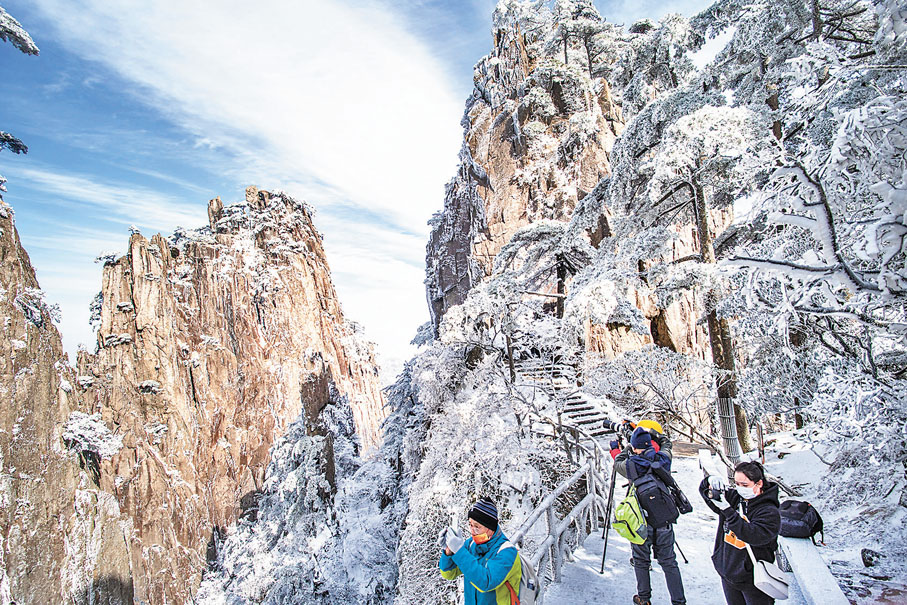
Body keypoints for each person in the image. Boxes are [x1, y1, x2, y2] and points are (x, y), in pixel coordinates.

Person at [611, 426, 686, 605]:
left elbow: (617, 461)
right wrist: (654, 434)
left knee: (641, 561)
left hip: (640, 521)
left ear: (635, 447)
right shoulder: (663, 459)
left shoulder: (631, 465)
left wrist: (625, 447)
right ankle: (679, 601)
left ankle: (644, 598)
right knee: (669, 562)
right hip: (663, 520)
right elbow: (667, 443)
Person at [698, 460, 781, 605]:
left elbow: (752, 535)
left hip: (753, 579)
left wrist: (729, 512)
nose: (740, 489)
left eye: (745, 485)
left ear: (759, 484)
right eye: (736, 484)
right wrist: (708, 482)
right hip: (728, 572)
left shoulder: (769, 512)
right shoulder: (735, 498)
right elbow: (708, 496)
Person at [438, 497, 522, 604]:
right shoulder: (471, 544)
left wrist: (459, 551)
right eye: (470, 525)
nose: (473, 531)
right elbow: (449, 574)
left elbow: (486, 582)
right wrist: (448, 552)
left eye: (477, 527)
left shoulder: (507, 553)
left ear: (490, 527)